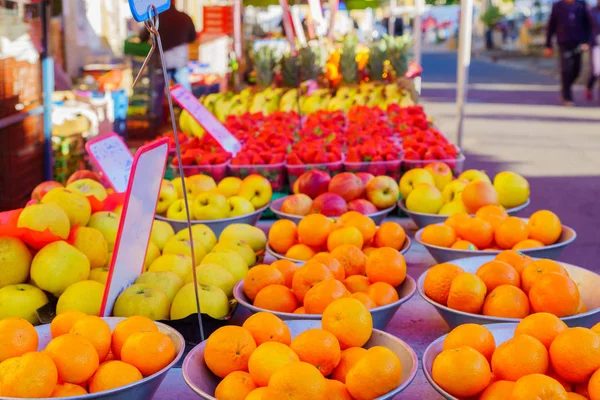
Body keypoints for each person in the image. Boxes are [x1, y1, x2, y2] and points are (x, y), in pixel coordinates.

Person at [545, 0, 594, 106]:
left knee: (577, 69)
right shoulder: (557, 6)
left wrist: (587, 41)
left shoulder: (582, 5)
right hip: (564, 43)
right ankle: (567, 96)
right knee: (566, 69)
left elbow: (588, 25)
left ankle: (566, 87)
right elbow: (551, 26)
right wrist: (548, 45)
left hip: (579, 43)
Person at [139, 4, 196, 90]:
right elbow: (192, 38)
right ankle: (187, 103)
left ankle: (159, 103)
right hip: (180, 59)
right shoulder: (185, 17)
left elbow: (142, 37)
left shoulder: (155, 19)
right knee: (185, 93)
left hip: (162, 60)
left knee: (158, 92)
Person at [586, 1, 600, 100]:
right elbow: (586, 27)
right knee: (596, 71)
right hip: (596, 45)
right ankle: (589, 87)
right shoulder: (591, 11)